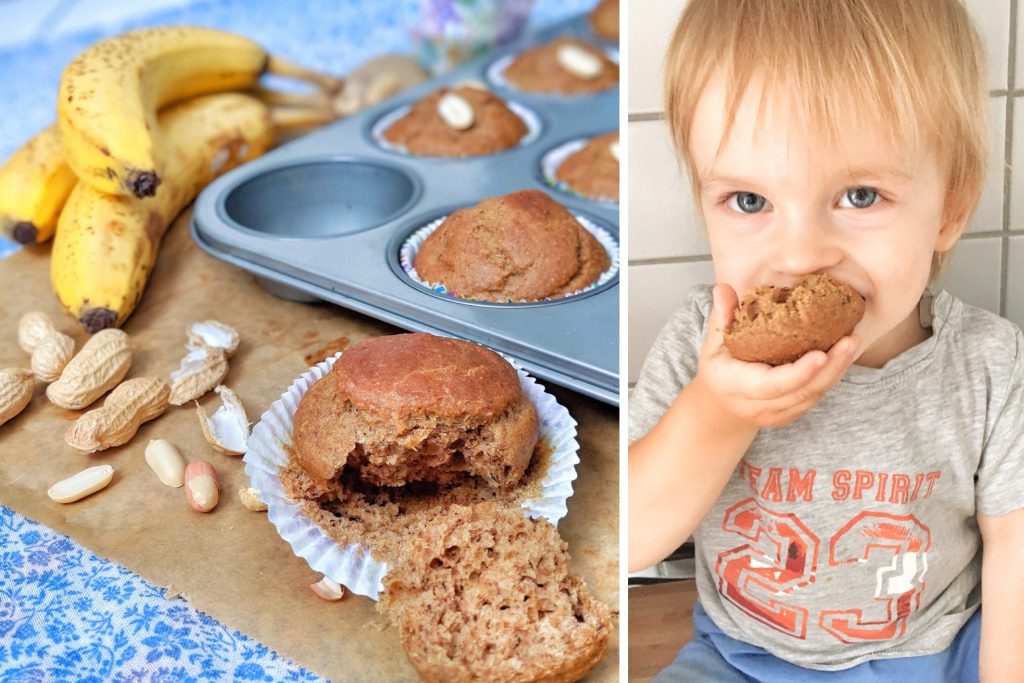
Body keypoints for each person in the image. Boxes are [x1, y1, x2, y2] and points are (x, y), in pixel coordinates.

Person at [628, 1, 1024, 680]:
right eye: (749, 202)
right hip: (744, 658)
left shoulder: (988, 365)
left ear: (950, 208)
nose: (802, 254)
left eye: (861, 196)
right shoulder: (701, 345)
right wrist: (718, 412)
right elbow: (631, 539)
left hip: (936, 652)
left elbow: (1014, 550)